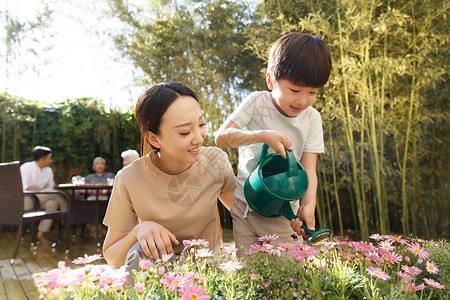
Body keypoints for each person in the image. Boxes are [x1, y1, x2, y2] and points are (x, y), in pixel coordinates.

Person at [215, 32, 332, 255]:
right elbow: (222, 137)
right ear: (271, 81)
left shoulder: (312, 118)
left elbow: (309, 167)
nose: (302, 100)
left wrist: (308, 205)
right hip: (245, 206)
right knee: (248, 272)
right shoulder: (256, 102)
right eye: (295, 90)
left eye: (313, 92)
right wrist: (262, 135)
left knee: (287, 274)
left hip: (283, 210)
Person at [102, 82, 236, 274]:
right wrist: (138, 230)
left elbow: (244, 213)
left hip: (209, 271)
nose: (199, 138)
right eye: (184, 132)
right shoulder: (129, 178)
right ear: (154, 139)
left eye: (201, 124)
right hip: (157, 277)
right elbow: (112, 257)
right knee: (137, 252)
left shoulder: (216, 161)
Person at [20, 146, 67, 244]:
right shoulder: (27, 167)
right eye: (49, 158)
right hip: (25, 201)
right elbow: (25, 188)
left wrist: (48, 189)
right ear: (42, 159)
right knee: (53, 193)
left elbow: (51, 188)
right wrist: (46, 190)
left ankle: (40, 234)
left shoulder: (48, 170)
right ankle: (69, 212)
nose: (51, 161)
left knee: (52, 204)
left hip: (42, 200)